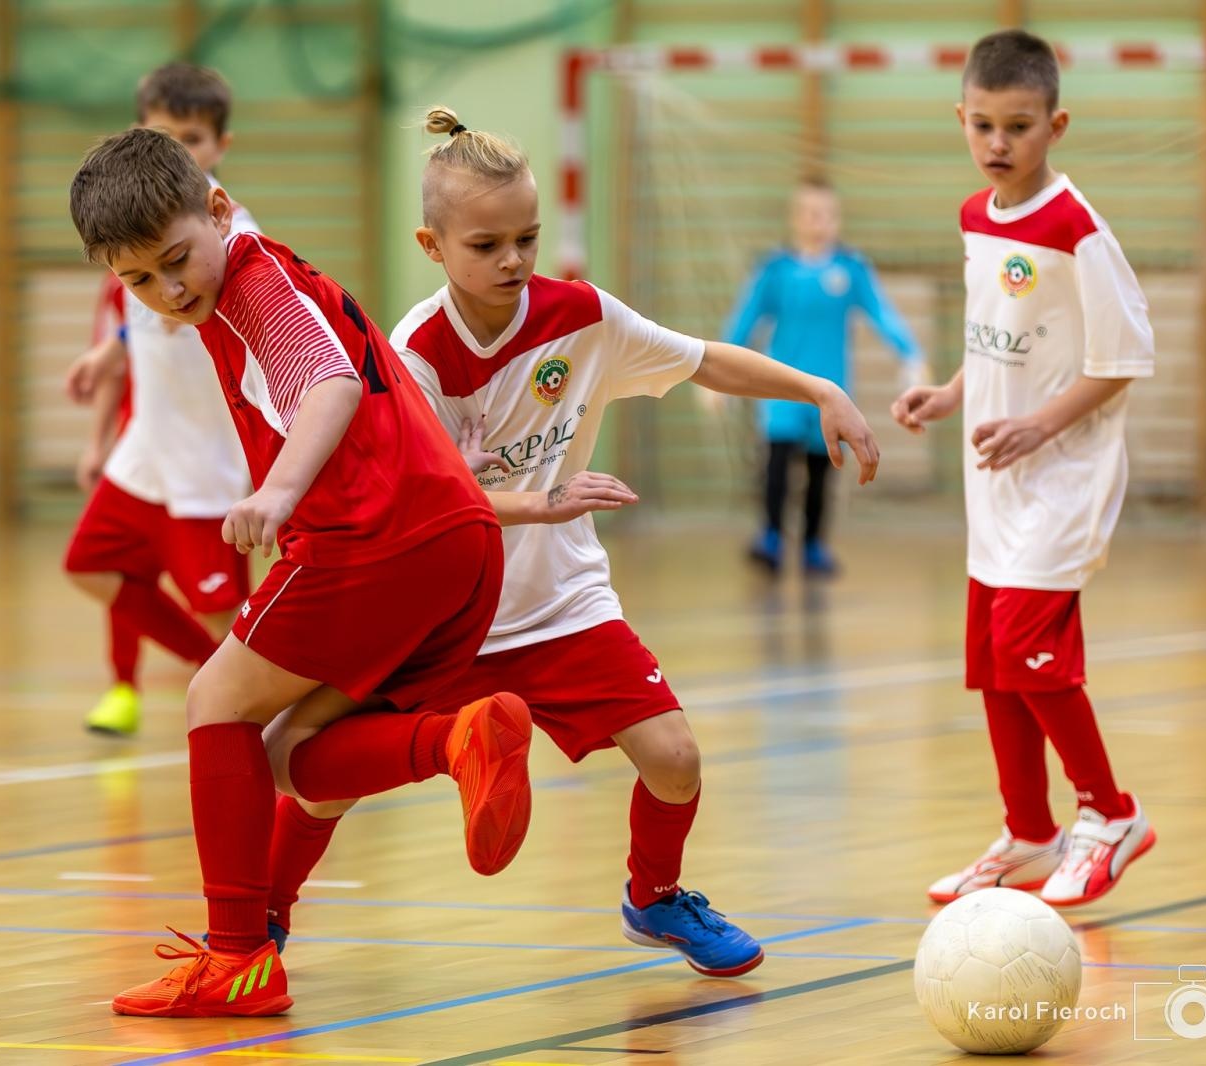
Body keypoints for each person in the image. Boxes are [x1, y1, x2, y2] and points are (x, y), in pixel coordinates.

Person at [257, 107, 881, 979]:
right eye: (486, 245)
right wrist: (539, 499)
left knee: (675, 760)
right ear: (432, 246)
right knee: (328, 783)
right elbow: (421, 506)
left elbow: (703, 358)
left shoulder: (581, 318)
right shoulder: (414, 354)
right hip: (446, 614)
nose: (512, 260)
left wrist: (819, 390)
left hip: (561, 604)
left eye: (527, 238)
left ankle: (654, 899)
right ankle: (263, 916)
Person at [68, 126, 534, 1017]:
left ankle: (238, 957)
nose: (170, 291)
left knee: (215, 702)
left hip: (370, 542)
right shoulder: (261, 281)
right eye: (139, 281)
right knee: (299, 761)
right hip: (456, 541)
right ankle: (454, 744)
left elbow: (329, 382)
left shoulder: (254, 286)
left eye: (176, 261)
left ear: (218, 211)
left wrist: (279, 492)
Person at [891, 28, 1155, 907]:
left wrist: (1041, 425)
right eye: (983, 125)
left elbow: (1121, 361)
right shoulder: (976, 217)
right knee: (993, 661)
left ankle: (1112, 814)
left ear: (1056, 125)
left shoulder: (1078, 231)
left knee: (1026, 651)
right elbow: (999, 342)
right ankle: (1031, 832)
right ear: (961, 119)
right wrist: (949, 393)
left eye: (1019, 126)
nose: (998, 143)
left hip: (1064, 479)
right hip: (996, 484)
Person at [61, 63, 257, 736]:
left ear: (221, 145)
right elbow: (142, 318)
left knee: (227, 617)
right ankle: (215, 674)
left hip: (206, 462)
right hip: (146, 450)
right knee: (89, 565)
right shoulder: (143, 232)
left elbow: (194, 311)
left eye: (193, 138)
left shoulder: (228, 230)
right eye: (166, 136)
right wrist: (110, 351)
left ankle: (271, 711)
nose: (181, 150)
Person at [727, 176, 922, 575]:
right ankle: (771, 536)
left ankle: (814, 544)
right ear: (796, 217)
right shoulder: (776, 270)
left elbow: (882, 313)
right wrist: (718, 371)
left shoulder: (850, 270)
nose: (819, 222)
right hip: (781, 389)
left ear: (837, 219)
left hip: (831, 391)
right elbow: (745, 319)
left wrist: (911, 355)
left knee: (821, 468)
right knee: (777, 464)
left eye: (827, 214)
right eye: (811, 213)